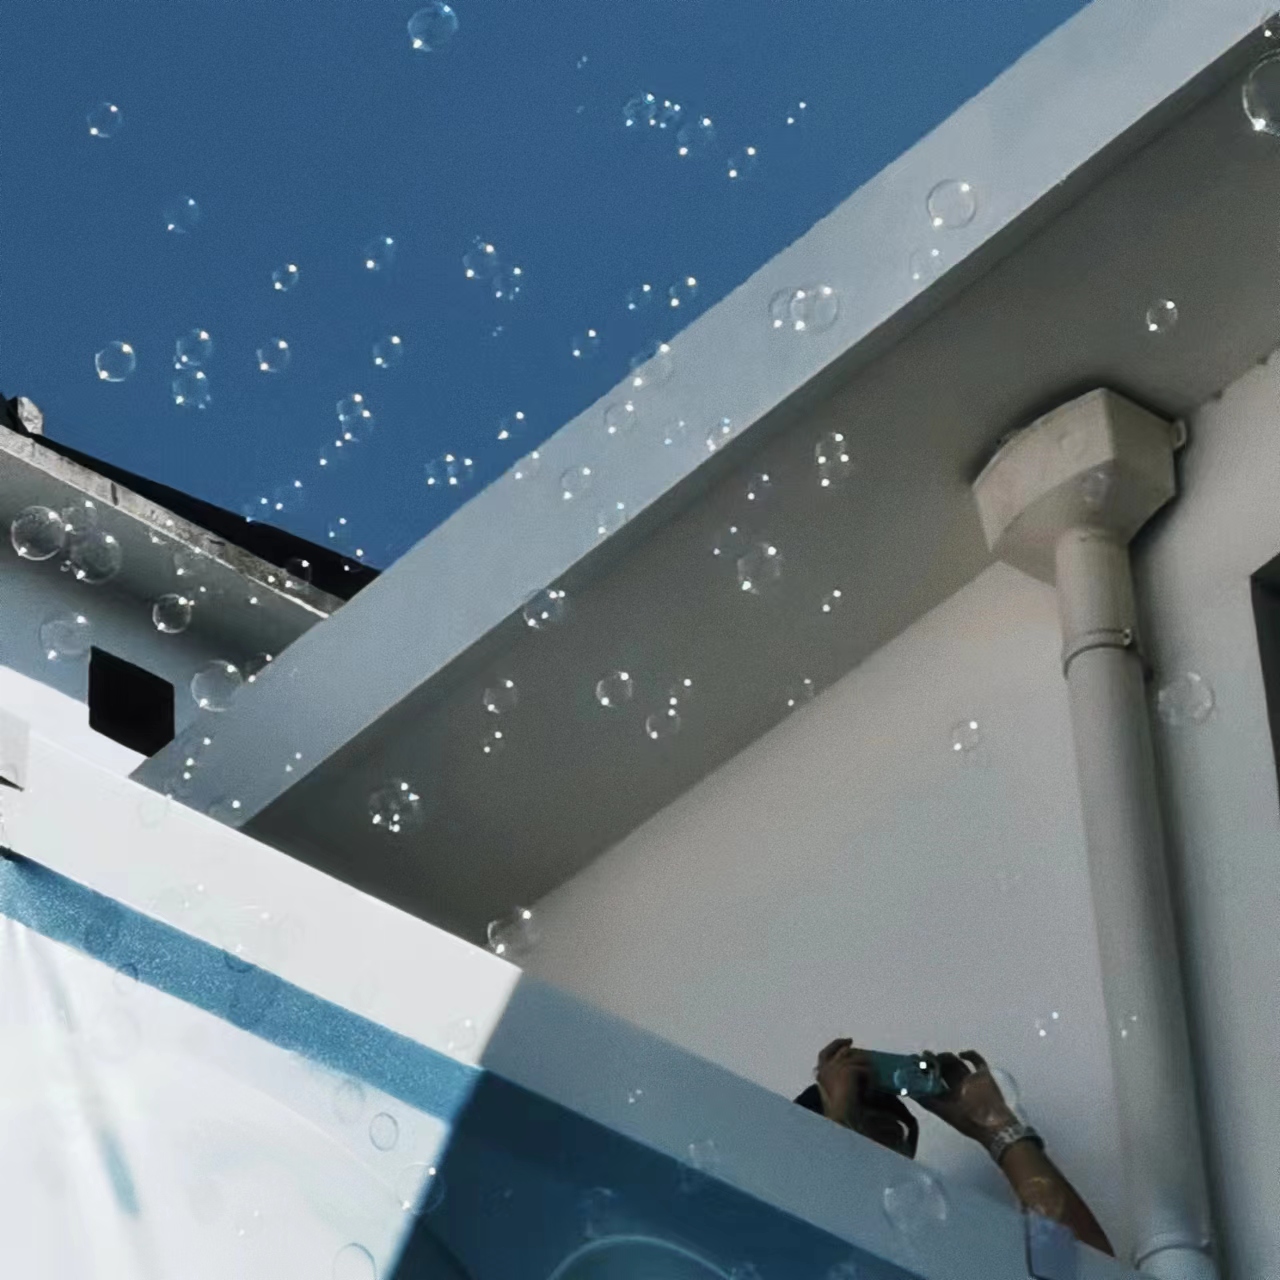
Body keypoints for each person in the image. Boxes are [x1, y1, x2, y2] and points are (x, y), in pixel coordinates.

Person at [797, 1039, 1114, 1257]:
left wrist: (994, 1126)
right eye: (853, 1134)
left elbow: (1094, 1270)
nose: (875, 1152)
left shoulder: (953, 1257)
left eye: (887, 1135)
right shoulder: (780, 1247)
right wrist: (836, 1126)